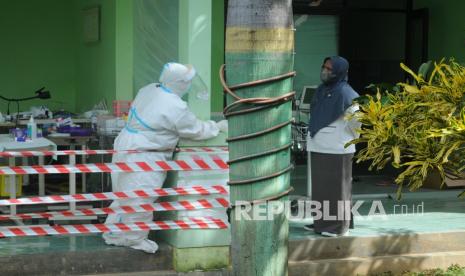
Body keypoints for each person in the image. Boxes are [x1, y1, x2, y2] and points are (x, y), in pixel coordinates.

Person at [103, 62, 228, 253]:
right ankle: (133, 239)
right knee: (140, 198)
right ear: (180, 83)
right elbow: (194, 129)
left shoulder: (150, 89)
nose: (189, 86)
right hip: (145, 153)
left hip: (126, 145)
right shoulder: (174, 106)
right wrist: (216, 127)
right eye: (187, 82)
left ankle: (116, 231)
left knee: (124, 194)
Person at [304, 56, 360, 237]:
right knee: (321, 191)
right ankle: (321, 223)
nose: (325, 71)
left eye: (330, 69)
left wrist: (350, 138)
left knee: (338, 191)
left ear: (340, 72)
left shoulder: (346, 93)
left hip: (337, 149)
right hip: (319, 147)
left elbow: (357, 122)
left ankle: (337, 227)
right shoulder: (322, 90)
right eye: (324, 67)